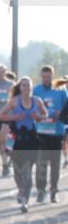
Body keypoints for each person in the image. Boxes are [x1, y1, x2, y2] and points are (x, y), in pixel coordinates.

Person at [0, 76, 48, 213]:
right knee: (18, 170)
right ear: (20, 88)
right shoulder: (14, 101)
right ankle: (20, 189)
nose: (26, 87)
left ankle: (25, 202)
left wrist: (38, 117)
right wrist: (14, 117)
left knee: (27, 171)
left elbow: (45, 115)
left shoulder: (37, 101)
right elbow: (1, 115)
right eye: (23, 85)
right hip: (17, 140)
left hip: (31, 139)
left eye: (28, 85)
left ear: (31, 87)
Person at [33, 66, 68, 199]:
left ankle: (54, 190)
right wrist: (41, 115)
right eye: (44, 76)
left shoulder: (61, 91)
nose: (46, 79)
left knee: (55, 164)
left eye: (48, 76)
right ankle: (41, 190)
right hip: (41, 132)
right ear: (41, 76)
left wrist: (61, 114)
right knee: (41, 162)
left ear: (53, 76)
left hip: (56, 132)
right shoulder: (36, 90)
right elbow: (32, 108)